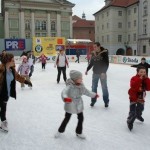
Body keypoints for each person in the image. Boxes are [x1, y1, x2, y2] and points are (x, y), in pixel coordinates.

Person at [54, 70, 99, 139]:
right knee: (67, 118)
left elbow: (87, 92)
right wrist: (66, 98)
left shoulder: (81, 86)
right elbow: (64, 92)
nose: (82, 79)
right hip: (70, 103)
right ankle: (60, 131)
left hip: (79, 104)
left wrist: (94, 95)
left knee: (81, 118)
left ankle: (79, 132)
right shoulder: (69, 86)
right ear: (75, 79)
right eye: (80, 78)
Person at [0, 53, 32, 132]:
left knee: (3, 108)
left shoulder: (12, 70)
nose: (14, 61)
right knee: (3, 108)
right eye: (12, 60)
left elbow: (18, 77)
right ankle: (3, 121)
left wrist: (26, 81)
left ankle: (3, 122)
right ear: (7, 61)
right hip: (0, 93)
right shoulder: (0, 70)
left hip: (6, 93)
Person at [85, 42, 109, 107]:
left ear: (99, 46)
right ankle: (93, 101)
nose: (94, 48)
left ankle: (106, 101)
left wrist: (104, 72)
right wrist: (87, 69)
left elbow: (106, 63)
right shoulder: (93, 53)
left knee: (104, 88)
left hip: (102, 73)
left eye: (95, 47)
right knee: (93, 88)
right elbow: (91, 63)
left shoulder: (104, 53)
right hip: (95, 73)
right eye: (94, 47)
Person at [127, 66, 150, 131]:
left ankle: (138, 115)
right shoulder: (134, 78)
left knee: (141, 108)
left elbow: (148, 88)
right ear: (137, 72)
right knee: (132, 111)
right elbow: (133, 86)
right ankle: (130, 121)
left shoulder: (145, 79)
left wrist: (147, 79)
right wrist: (139, 79)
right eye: (141, 72)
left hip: (141, 97)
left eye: (144, 72)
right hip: (133, 96)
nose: (143, 73)